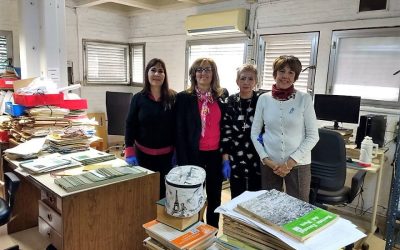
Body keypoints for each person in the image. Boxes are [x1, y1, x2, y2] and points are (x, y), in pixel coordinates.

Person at [250, 55, 319, 202]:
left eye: (291, 72)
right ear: (275, 73)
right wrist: (265, 158)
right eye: (282, 71)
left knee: (299, 207)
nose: (285, 76)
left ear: (296, 76)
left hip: (298, 164)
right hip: (270, 164)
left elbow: (313, 136)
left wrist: (290, 163)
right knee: (269, 206)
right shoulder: (264, 99)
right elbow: (255, 133)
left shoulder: (304, 99)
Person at [175, 58, 226, 228]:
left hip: (215, 155)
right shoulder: (183, 98)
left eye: (208, 70)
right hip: (193, 155)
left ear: (214, 74)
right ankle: (196, 229)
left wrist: (226, 157)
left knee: (214, 197)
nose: (203, 73)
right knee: (193, 196)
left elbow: (225, 127)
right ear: (194, 74)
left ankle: (212, 230)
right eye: (200, 69)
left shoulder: (221, 96)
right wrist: (181, 160)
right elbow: (179, 130)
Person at [125, 58, 176, 199]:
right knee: (144, 194)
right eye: (153, 70)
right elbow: (130, 124)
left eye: (161, 71)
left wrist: (178, 151)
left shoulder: (172, 98)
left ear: (165, 76)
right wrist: (129, 151)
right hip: (142, 156)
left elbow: (177, 127)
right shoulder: (138, 98)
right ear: (147, 74)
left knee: (163, 194)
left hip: (167, 158)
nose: (157, 74)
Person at [221, 64, 263, 199]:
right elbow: (226, 132)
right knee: (236, 198)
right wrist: (225, 160)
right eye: (243, 78)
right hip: (235, 157)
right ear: (237, 81)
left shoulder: (261, 101)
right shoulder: (230, 101)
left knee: (255, 199)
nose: (246, 82)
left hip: (257, 156)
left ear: (256, 82)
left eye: (250, 79)